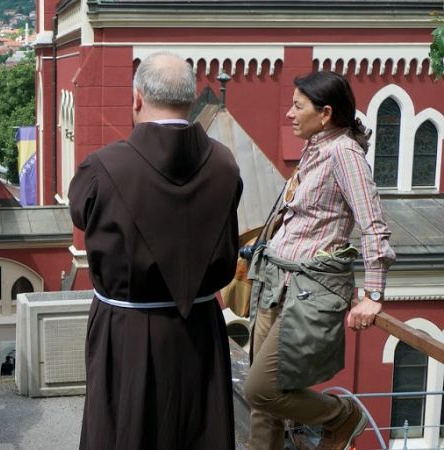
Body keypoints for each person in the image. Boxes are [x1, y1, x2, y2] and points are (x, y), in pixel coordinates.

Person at [68, 52, 242, 449]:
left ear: (136, 98)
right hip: (199, 327)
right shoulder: (224, 164)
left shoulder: (102, 167)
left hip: (125, 331)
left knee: (125, 430)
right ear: (193, 98)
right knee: (198, 428)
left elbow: (81, 213)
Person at [243, 71, 396, 450]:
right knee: (265, 405)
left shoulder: (344, 154)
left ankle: (343, 416)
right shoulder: (316, 146)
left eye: (298, 106)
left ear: (325, 113)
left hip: (309, 292)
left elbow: (373, 223)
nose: (290, 114)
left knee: (260, 388)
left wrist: (373, 293)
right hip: (276, 283)